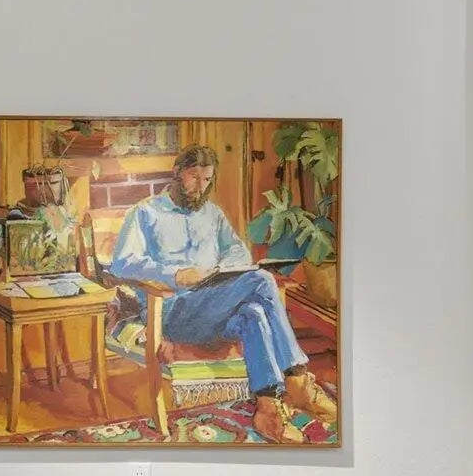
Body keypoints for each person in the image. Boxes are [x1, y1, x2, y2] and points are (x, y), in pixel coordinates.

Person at [107, 145, 337, 443]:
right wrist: (175, 274)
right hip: (173, 311)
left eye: (206, 179)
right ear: (177, 173)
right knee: (262, 280)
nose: (200, 186)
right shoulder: (146, 212)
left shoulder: (213, 214)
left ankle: (268, 409)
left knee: (254, 313)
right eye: (194, 177)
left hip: (214, 307)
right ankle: (297, 380)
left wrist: (218, 270)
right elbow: (122, 263)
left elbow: (238, 251)